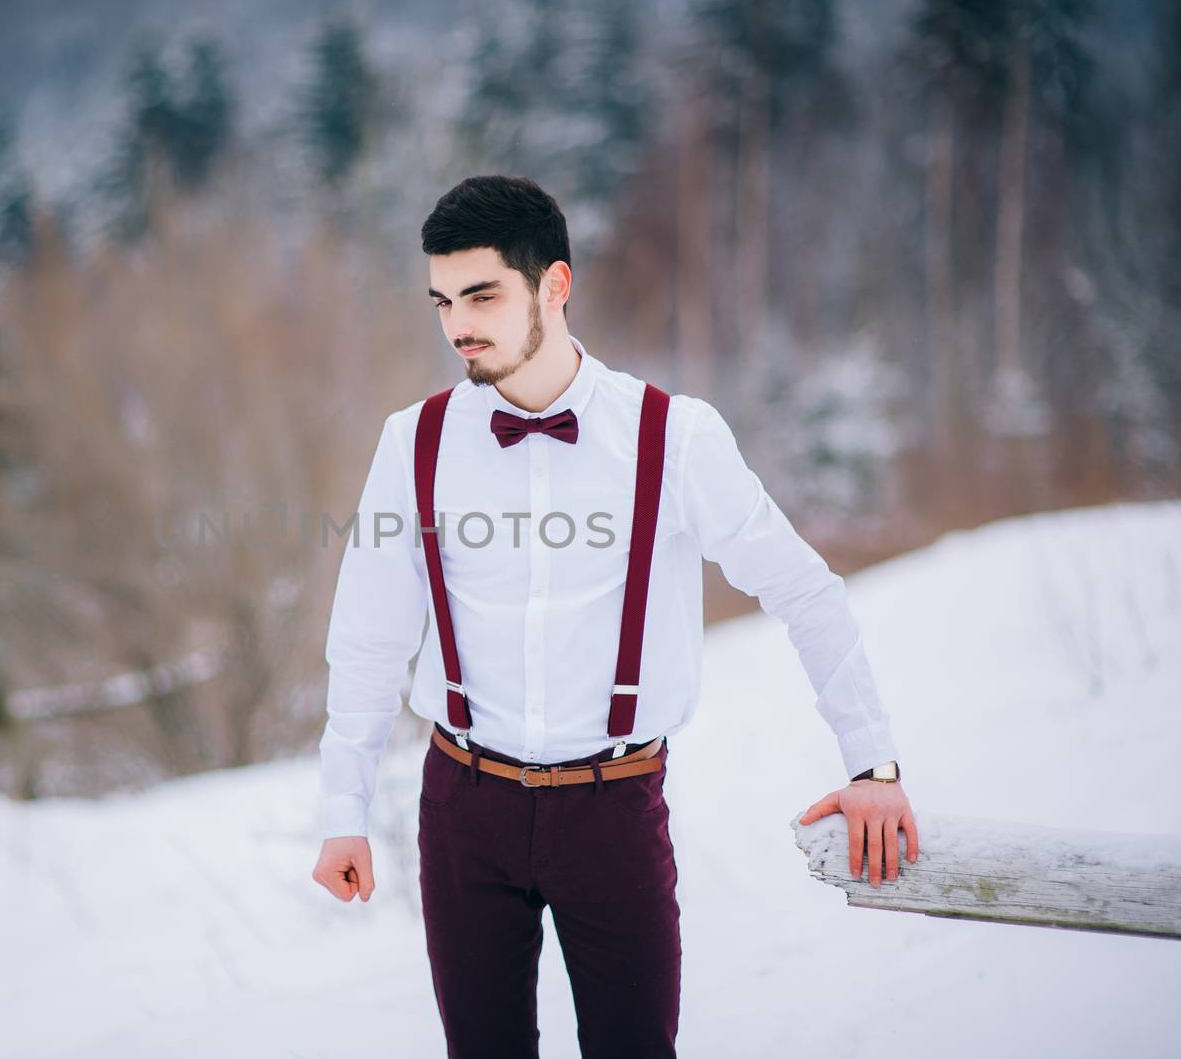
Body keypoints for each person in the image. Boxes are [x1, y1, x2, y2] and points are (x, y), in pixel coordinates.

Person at [309, 174, 918, 1058]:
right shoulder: (417, 440)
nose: (456, 325)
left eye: (482, 295)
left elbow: (802, 590)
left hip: (614, 809)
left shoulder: (675, 437)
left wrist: (873, 761)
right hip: (462, 809)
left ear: (554, 286)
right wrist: (343, 808)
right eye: (441, 299)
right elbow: (367, 639)